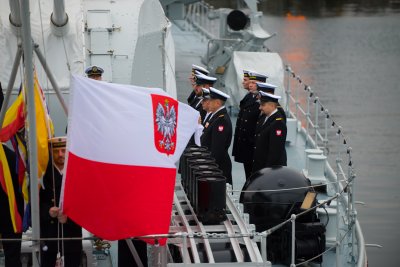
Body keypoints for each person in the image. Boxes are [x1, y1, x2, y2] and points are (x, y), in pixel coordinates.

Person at [40, 137, 82, 267]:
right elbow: (34, 205)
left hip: (72, 237)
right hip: (49, 237)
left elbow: (85, 206)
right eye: (56, 151)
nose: (60, 155)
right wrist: (48, 212)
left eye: (63, 150)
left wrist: (69, 218)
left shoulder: (77, 174)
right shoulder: (41, 176)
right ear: (50, 152)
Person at [0, 84, 23, 267]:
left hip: (9, 215)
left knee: (13, 255)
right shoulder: (11, 157)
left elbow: (19, 186)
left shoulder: (12, 158)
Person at [232, 70, 262, 179]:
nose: (249, 84)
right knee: (248, 174)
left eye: (252, 82)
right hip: (247, 145)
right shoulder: (249, 96)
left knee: (253, 175)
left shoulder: (260, 101)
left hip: (252, 146)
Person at [200, 87, 233, 184]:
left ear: (218, 103)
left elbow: (217, 149)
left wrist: (209, 168)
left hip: (218, 167)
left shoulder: (221, 120)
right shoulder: (216, 116)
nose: (207, 103)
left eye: (210, 101)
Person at [252, 91, 287, 174]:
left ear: (272, 105)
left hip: (270, 168)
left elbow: (275, 151)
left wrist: (267, 171)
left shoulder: (278, 123)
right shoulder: (264, 117)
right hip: (260, 164)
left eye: (263, 105)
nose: (260, 108)